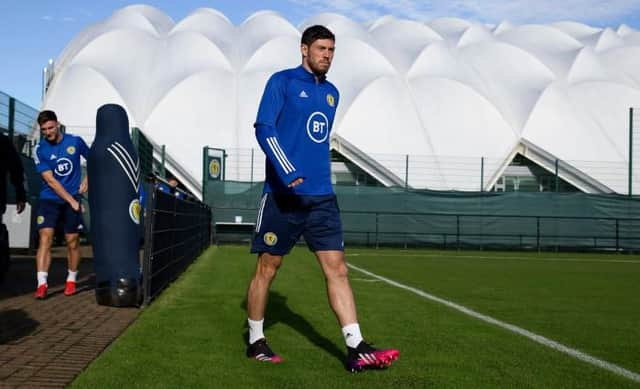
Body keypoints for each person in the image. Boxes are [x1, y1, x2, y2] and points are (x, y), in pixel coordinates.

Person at [245, 25, 399, 372]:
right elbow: (264, 128)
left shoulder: (332, 94)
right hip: (284, 196)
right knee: (269, 268)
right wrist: (286, 172)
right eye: (321, 49)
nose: (327, 55)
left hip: (322, 199)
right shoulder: (281, 82)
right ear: (304, 49)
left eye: (331, 50)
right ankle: (255, 340)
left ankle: (356, 347)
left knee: (338, 269)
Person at [33, 110, 89, 299]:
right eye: (44, 130)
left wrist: (88, 181)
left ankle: (71, 280)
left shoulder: (75, 141)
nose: (48, 132)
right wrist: (73, 201)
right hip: (50, 199)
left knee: (72, 241)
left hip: (72, 200)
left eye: (50, 127)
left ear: (57, 124)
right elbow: (51, 182)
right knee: (45, 238)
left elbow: (95, 160)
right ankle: (42, 284)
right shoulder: (40, 150)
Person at [0, 132, 27, 284]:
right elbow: (16, 168)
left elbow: (16, 168)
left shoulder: (2, 141)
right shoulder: (3, 140)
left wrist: (20, 194)